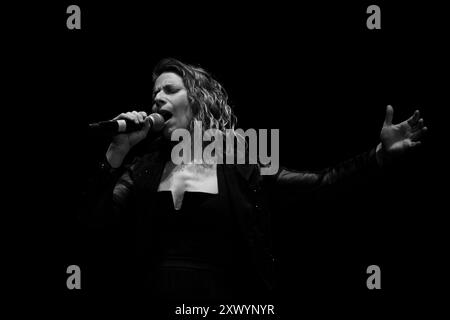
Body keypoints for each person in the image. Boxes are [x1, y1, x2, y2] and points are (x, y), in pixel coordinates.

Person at [86, 58, 427, 303]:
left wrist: (377, 156)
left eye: (170, 89)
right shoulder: (145, 167)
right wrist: (117, 152)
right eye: (154, 93)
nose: (157, 98)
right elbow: (96, 224)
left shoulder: (239, 161)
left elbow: (320, 185)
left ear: (198, 99)